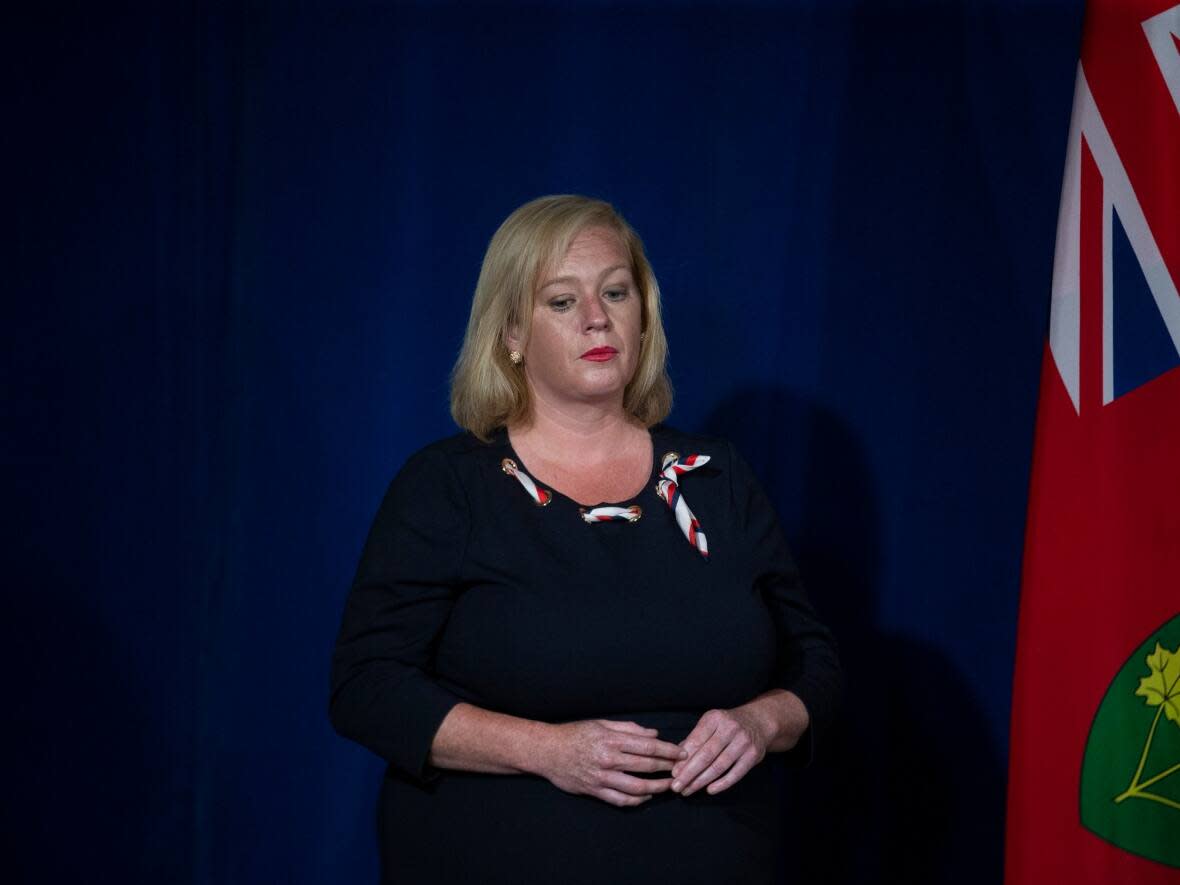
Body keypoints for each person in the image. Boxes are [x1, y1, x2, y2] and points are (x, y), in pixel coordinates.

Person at [329, 194, 841, 884]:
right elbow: (367, 686)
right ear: (512, 333)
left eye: (616, 292)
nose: (597, 318)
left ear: (643, 313)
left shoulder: (716, 478)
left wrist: (763, 721)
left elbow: (815, 663)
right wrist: (546, 749)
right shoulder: (448, 488)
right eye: (562, 302)